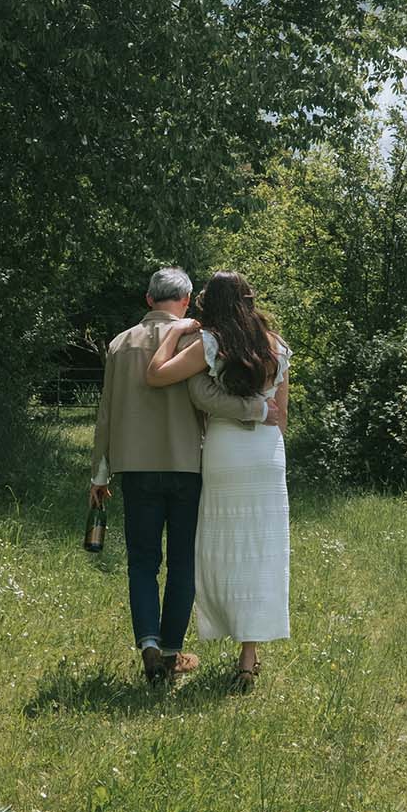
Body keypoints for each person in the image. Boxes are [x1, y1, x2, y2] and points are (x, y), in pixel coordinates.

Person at [89, 267, 276, 684]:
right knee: (182, 564)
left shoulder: (121, 344)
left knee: (141, 562)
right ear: (188, 301)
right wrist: (257, 412)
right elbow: (210, 397)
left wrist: (99, 475)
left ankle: (149, 645)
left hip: (135, 466)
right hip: (189, 465)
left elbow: (106, 415)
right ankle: (172, 652)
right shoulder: (200, 339)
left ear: (148, 299)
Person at [145, 270, 290, 692]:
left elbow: (156, 375)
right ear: (248, 300)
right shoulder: (277, 346)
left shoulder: (210, 343)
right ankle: (248, 657)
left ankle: (225, 626)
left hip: (226, 451)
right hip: (266, 454)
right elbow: (281, 414)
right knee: (263, 550)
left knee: (225, 547)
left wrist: (173, 335)